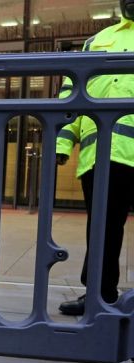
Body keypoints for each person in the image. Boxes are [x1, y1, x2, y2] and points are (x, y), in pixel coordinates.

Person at [57, 0, 134, 316]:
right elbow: (71, 93)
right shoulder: (97, 40)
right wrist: (62, 143)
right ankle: (99, 297)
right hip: (101, 154)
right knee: (103, 229)